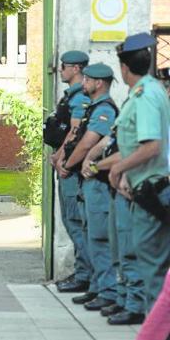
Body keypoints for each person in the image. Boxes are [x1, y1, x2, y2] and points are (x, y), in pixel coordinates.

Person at [109, 32, 170, 312]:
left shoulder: (144, 96)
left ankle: (156, 330)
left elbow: (151, 146)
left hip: (152, 190)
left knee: (152, 272)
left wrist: (118, 168)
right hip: (151, 187)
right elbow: (136, 145)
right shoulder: (152, 90)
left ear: (123, 67)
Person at [61, 63, 119, 311]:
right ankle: (97, 287)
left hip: (99, 183)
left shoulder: (105, 109)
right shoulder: (93, 107)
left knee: (99, 238)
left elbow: (89, 143)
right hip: (89, 182)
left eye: (88, 80)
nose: (83, 83)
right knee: (89, 234)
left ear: (99, 83)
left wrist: (68, 164)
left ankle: (107, 290)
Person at [82, 129, 146, 325]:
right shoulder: (131, 108)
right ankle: (123, 298)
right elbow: (107, 141)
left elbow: (132, 151)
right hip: (116, 188)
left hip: (132, 189)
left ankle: (136, 305)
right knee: (117, 250)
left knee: (129, 251)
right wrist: (89, 159)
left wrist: (97, 166)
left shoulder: (148, 108)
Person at [46, 50, 93, 293]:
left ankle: (86, 275)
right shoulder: (71, 96)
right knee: (71, 220)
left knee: (75, 221)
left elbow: (75, 132)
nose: (60, 70)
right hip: (66, 165)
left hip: (71, 169)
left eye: (63, 66)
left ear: (75, 69)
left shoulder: (79, 99)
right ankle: (82, 272)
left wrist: (61, 157)